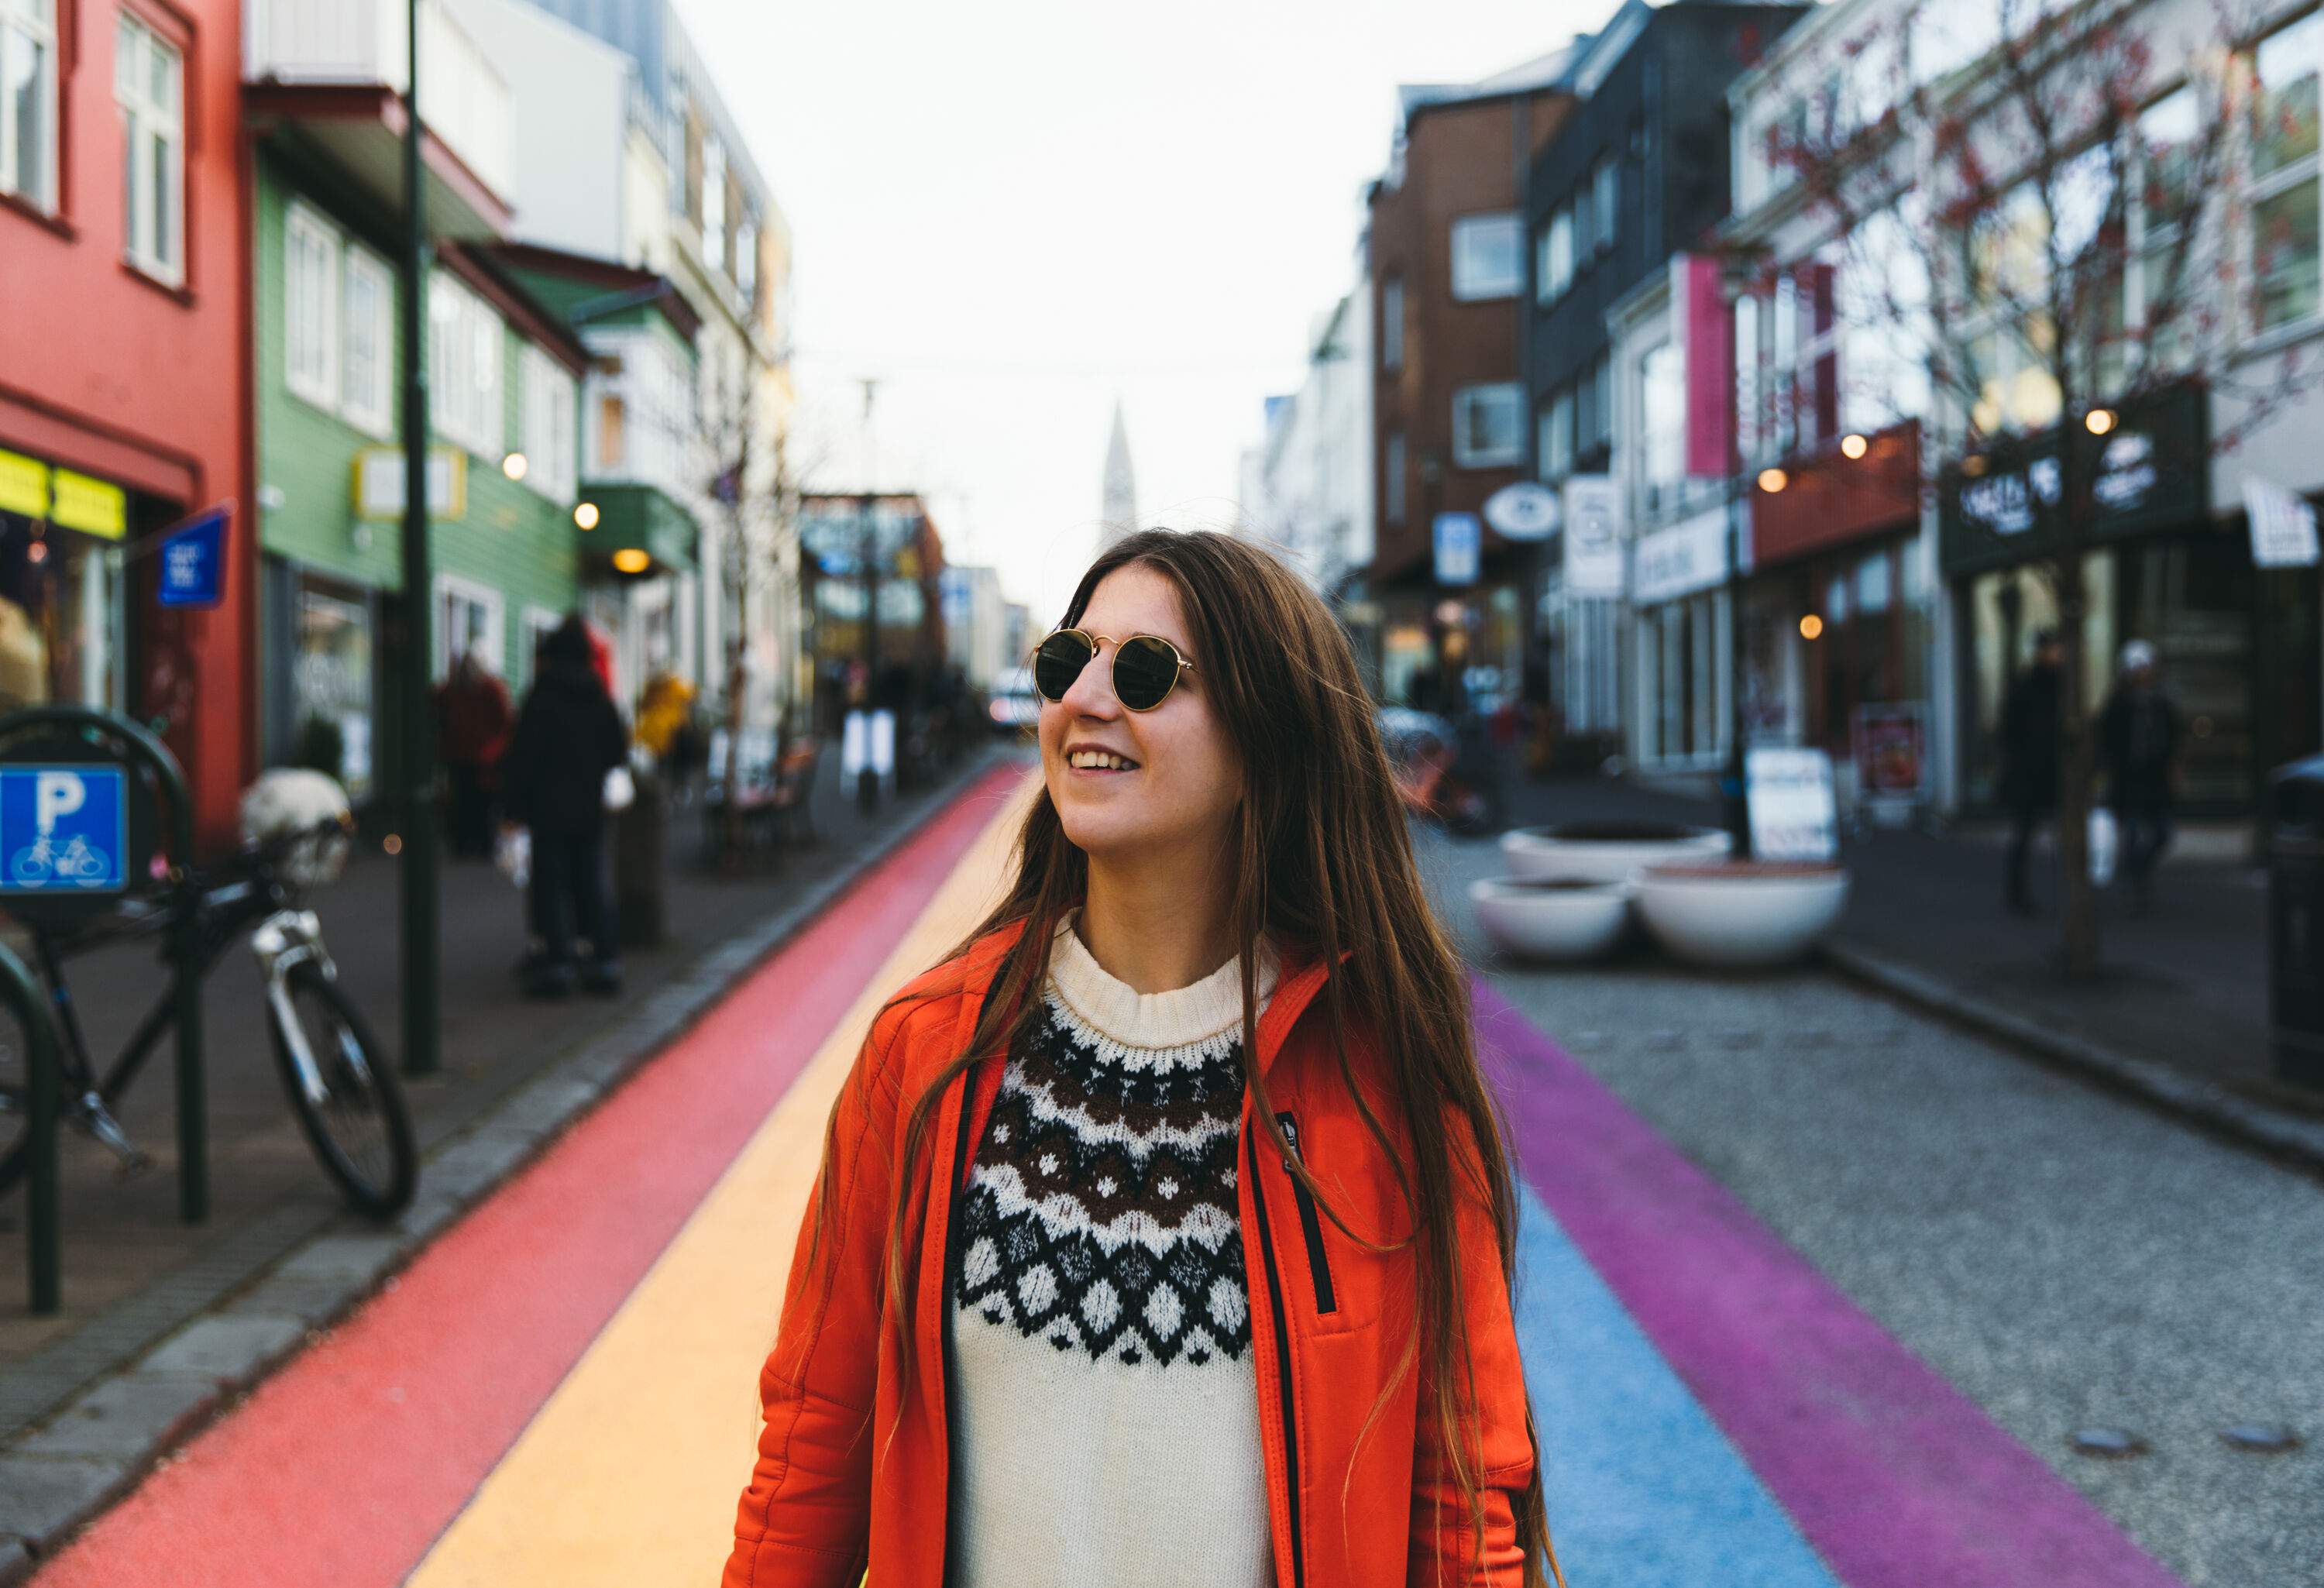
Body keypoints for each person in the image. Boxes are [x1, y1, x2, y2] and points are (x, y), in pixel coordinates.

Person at [724, 531, 1553, 1588]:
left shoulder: (1382, 1078)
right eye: (1068, 663)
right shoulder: (925, 1050)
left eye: (1149, 671)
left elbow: (1463, 1485)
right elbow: (814, 1441)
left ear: (1263, 745)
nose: (1088, 699)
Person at [502, 616, 628, 998]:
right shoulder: (599, 696)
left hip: (548, 810)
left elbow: (522, 757)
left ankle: (558, 965)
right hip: (588, 808)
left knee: (551, 886)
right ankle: (604, 962)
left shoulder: (541, 696)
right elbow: (616, 751)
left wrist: (514, 810)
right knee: (592, 881)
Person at [2100, 639, 2180, 911]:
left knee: (2162, 832)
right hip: (2130, 779)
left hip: (2154, 780)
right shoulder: (2120, 703)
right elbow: (2108, 740)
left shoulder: (2160, 702)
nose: (2144, 674)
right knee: (2133, 833)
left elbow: (2172, 738)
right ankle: (2135, 882)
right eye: (2139, 669)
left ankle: (2139, 874)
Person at [2001, 629, 2064, 916]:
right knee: (2025, 834)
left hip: (2054, 772)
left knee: (2057, 835)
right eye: (2053, 649)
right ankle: (2018, 892)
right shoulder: (2027, 687)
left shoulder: (2062, 686)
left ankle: (2065, 893)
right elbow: (2010, 731)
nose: (2057, 654)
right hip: (2029, 773)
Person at [434, 649, 513, 860]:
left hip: (483, 758)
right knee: (466, 803)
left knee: (481, 804)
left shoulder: (489, 689)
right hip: (465, 756)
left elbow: (504, 722)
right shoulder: (457, 691)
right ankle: (466, 845)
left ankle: (480, 845)